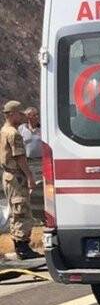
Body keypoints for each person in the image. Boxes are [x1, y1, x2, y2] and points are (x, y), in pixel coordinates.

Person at [1, 101, 40, 260]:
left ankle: (20, 245)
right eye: (19, 114)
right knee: (21, 209)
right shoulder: (14, 134)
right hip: (16, 175)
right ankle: (22, 246)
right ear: (11, 114)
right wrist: (29, 176)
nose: (22, 117)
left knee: (16, 210)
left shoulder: (4, 131)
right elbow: (20, 158)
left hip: (8, 175)